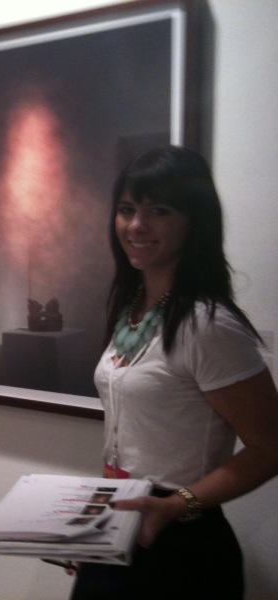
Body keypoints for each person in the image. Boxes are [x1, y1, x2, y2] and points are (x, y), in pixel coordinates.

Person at [70, 146, 278, 599]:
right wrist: (94, 525)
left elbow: (270, 446)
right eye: (127, 209)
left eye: (159, 211)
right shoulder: (131, 309)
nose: (136, 225)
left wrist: (177, 505)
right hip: (122, 517)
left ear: (194, 221)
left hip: (181, 544)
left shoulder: (207, 326)